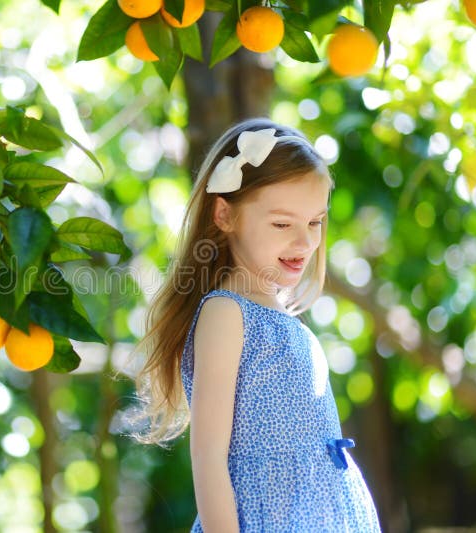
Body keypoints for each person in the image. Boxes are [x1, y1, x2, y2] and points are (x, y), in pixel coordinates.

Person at [123, 118, 382, 531]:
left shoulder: (288, 320)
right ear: (225, 214)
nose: (304, 242)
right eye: (282, 224)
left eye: (315, 222)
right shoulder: (227, 314)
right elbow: (208, 455)